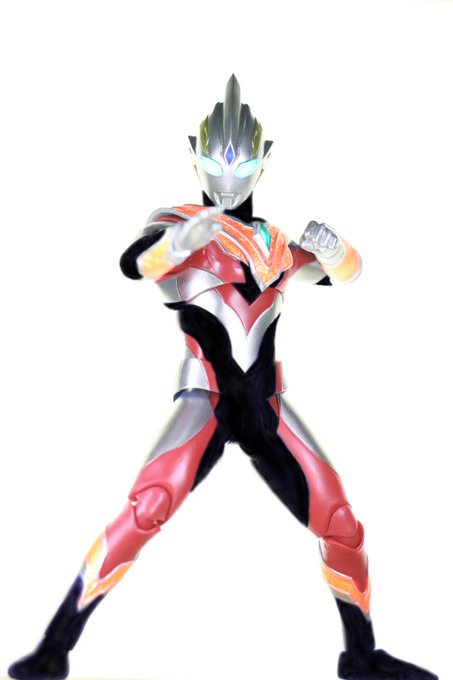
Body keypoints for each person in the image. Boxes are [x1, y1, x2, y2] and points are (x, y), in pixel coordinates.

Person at [9, 75, 437, 680]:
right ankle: (54, 649)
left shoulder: (275, 244)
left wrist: (337, 249)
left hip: (266, 403)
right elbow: (138, 263)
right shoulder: (178, 222)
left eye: (242, 163)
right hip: (207, 396)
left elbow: (346, 275)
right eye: (215, 161)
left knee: (341, 523)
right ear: (196, 157)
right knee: (147, 508)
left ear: (264, 162)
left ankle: (361, 656)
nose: (229, 175)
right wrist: (178, 243)